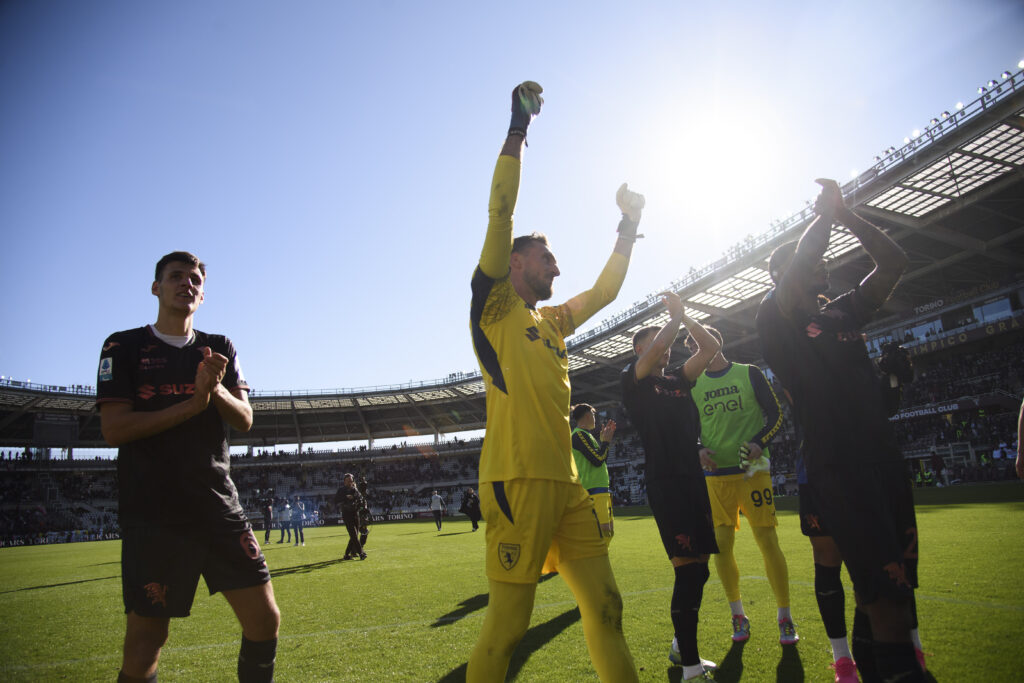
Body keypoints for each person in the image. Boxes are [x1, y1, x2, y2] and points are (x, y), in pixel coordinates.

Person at [466, 81, 642, 683]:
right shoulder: (494, 306)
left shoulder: (554, 322)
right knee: (508, 628)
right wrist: (518, 128)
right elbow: (500, 211)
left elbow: (606, 291)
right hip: (516, 480)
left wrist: (629, 224)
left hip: (568, 486)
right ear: (515, 262)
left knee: (608, 608)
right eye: (547, 259)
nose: (557, 267)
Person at [755, 178, 923, 682]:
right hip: (839, 467)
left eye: (822, 261)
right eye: (808, 263)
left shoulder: (845, 308)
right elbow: (804, 260)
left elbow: (894, 264)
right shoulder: (776, 316)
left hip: (884, 461)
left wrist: (847, 215)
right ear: (783, 275)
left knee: (892, 597)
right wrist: (824, 216)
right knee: (889, 605)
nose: (822, 265)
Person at [97, 251, 280, 683]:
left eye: (195, 279)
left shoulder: (219, 347)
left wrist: (213, 392)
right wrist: (193, 403)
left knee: (264, 621)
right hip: (155, 514)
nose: (187, 284)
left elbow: (246, 419)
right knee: (146, 644)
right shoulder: (122, 346)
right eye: (176, 277)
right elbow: (115, 429)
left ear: (202, 293)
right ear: (156, 287)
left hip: (218, 506)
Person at [621, 290, 722, 681]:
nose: (663, 349)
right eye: (653, 344)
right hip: (666, 482)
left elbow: (711, 347)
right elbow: (658, 347)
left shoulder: (679, 379)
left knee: (701, 569)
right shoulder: (634, 379)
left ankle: (682, 647)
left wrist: (687, 318)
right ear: (640, 348)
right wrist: (674, 320)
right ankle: (691, 667)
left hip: (693, 480)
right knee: (687, 572)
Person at [684, 326, 797, 647]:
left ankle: (785, 616)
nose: (697, 351)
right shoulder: (694, 385)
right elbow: (686, 430)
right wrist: (697, 449)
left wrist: (760, 442)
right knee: (721, 545)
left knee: (767, 540)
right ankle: (738, 614)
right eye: (692, 347)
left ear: (717, 341)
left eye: (700, 343)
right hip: (717, 477)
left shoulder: (750, 373)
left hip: (753, 471)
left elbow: (775, 415)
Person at [570, 404, 616, 543]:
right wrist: (605, 443)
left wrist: (603, 442)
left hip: (601, 488)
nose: (595, 419)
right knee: (601, 532)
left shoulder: (586, 436)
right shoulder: (578, 435)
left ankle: (600, 560)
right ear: (588, 415)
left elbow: (601, 461)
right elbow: (597, 460)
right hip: (593, 489)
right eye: (594, 415)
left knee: (608, 532)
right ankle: (595, 561)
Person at [336, 473, 366, 560]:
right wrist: (346, 498)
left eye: (351, 481)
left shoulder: (354, 490)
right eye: (348, 481)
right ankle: (361, 553)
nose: (350, 482)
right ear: (344, 481)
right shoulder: (341, 490)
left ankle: (346, 555)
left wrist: (354, 498)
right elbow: (336, 500)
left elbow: (360, 498)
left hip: (355, 513)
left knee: (355, 535)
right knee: (353, 534)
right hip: (346, 513)